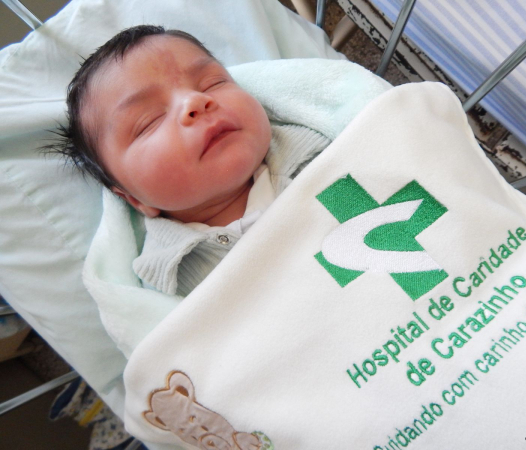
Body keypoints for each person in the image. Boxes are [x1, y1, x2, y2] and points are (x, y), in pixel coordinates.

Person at [53, 25, 331, 296]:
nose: (195, 101)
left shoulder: (321, 152)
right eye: (149, 120)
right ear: (134, 199)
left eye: (213, 83)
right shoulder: (167, 282)